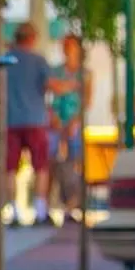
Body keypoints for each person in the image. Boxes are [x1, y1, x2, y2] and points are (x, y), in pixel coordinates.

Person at [3, 23, 55, 226]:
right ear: (32, 38)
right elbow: (50, 85)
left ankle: (14, 212)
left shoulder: (6, 60)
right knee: (40, 166)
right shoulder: (38, 60)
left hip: (11, 120)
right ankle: (40, 211)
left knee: (11, 168)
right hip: (35, 120)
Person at [49, 34, 84, 224]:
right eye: (65, 46)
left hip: (74, 125)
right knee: (54, 163)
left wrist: (74, 121)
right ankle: (55, 204)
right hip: (56, 124)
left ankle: (72, 206)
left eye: (70, 46)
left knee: (74, 164)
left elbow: (87, 100)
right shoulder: (56, 71)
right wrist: (54, 118)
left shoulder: (85, 73)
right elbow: (51, 94)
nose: (66, 49)